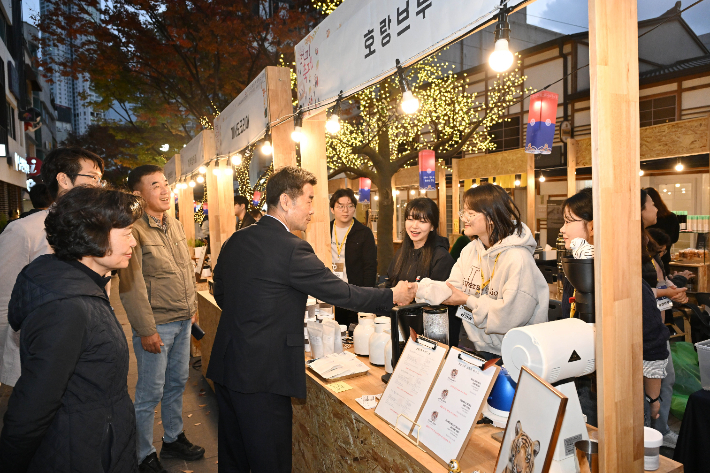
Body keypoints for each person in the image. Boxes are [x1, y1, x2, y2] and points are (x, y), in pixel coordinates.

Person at [206, 166, 416, 473]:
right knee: (271, 461)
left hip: (227, 365)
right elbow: (341, 293)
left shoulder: (237, 240)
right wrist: (391, 296)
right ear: (286, 202)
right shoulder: (291, 248)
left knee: (234, 459)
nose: (312, 209)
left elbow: (222, 294)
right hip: (264, 375)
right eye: (309, 199)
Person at [0, 186, 142, 472]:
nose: (134, 242)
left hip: (94, 442)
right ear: (93, 236)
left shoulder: (81, 286)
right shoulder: (67, 307)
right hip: (80, 452)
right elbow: (33, 406)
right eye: (126, 233)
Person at [119, 165, 203, 473]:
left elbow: (185, 270)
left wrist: (192, 307)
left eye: (165, 183)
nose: (165, 189)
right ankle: (143, 453)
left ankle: (173, 437)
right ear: (139, 194)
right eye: (155, 185)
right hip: (156, 326)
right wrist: (145, 329)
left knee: (177, 383)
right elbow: (131, 286)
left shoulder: (176, 224)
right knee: (149, 393)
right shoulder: (132, 231)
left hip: (182, 321)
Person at [0, 147, 104, 387]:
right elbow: (5, 302)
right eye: (93, 178)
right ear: (64, 179)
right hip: (40, 359)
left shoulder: (97, 228)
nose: (99, 186)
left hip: (89, 351)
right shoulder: (24, 230)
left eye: (101, 179)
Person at [418, 183, 549, 360]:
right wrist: (419, 289)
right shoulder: (471, 250)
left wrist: (467, 300)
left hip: (516, 354)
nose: (464, 218)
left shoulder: (518, 258)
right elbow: (453, 289)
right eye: (463, 212)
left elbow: (508, 317)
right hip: (476, 347)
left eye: (471, 214)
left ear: (492, 216)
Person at [641, 188, 685, 449]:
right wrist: (665, 290)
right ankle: (656, 431)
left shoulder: (646, 243)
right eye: (651, 205)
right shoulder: (635, 245)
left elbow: (647, 287)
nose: (656, 209)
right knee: (657, 385)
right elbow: (641, 289)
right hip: (649, 330)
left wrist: (669, 289)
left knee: (665, 379)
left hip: (655, 324)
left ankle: (659, 429)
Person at [385, 198, 457, 344]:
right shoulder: (402, 253)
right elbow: (389, 285)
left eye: (422, 221)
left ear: (432, 226)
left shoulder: (442, 258)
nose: (414, 226)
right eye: (410, 219)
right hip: (400, 330)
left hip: (429, 338)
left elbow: (438, 304)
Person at [558, 187, 598, 426]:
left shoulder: (609, 268)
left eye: (568, 221)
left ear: (592, 226)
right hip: (578, 373)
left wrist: (654, 397)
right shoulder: (577, 265)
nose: (562, 229)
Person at [329, 188, 378, 326]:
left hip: (354, 293)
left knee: (353, 333)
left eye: (350, 206)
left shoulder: (364, 233)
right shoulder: (326, 230)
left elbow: (370, 267)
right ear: (332, 209)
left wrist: (366, 297)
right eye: (341, 206)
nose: (346, 210)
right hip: (330, 291)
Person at [645, 187, 680, 275]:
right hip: (664, 260)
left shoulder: (646, 219)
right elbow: (675, 238)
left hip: (647, 261)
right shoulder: (672, 217)